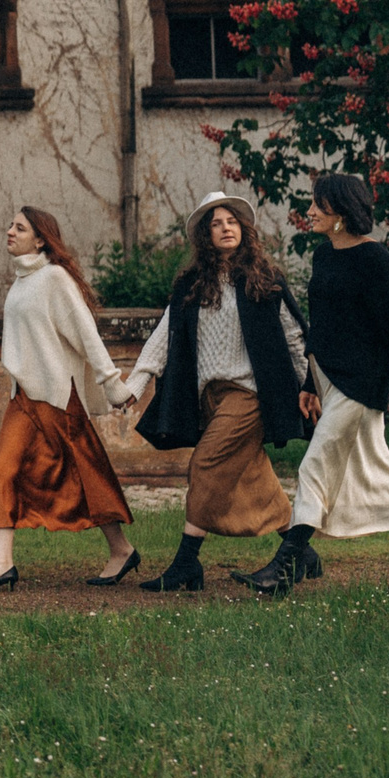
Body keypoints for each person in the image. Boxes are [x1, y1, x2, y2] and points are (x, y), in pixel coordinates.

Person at [235, 173, 389, 593]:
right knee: (374, 470)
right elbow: (322, 324)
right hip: (328, 377)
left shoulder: (375, 259)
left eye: (318, 205)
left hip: (361, 382)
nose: (309, 212)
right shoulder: (324, 255)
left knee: (316, 463)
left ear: (341, 211)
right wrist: (310, 384)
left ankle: (286, 568)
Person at [123, 190, 313, 592]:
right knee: (251, 478)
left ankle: (186, 564)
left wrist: (308, 389)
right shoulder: (192, 284)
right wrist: (135, 384)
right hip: (209, 398)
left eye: (231, 222)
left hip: (249, 395)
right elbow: (165, 337)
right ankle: (301, 552)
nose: (226, 229)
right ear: (205, 236)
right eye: (216, 224)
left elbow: (294, 337)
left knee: (205, 465)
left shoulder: (263, 278)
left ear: (243, 229)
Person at [0, 206, 140, 592]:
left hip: (58, 395)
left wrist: (112, 382)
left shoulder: (54, 278)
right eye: (11, 225)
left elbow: (85, 333)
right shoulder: (21, 282)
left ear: (40, 239)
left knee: (86, 471)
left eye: (20, 227)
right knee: (5, 469)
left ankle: (121, 549)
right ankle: (2, 564)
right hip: (25, 397)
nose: (9, 231)